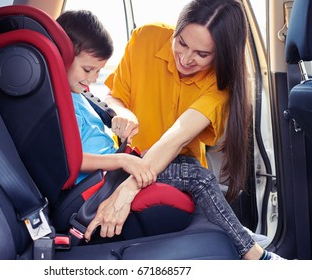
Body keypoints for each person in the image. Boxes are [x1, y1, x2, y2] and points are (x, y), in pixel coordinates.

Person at [83, 0, 285, 260]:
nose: (186, 58)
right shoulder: (146, 37)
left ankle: (252, 249)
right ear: (176, 29)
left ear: (221, 54)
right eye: (181, 42)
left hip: (174, 163)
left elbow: (177, 138)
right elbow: (115, 96)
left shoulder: (219, 85)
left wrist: (127, 189)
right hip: (129, 154)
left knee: (195, 174)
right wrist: (122, 112)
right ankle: (250, 244)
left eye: (202, 54)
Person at [56, 10, 157, 188]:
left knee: (184, 163)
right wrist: (123, 161)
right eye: (88, 69)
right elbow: (70, 160)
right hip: (99, 184)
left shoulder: (80, 95)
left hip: (113, 173)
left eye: (98, 71)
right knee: (195, 176)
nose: (94, 79)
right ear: (61, 56)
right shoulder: (57, 104)